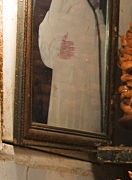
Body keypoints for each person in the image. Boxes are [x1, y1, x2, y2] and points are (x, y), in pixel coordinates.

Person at [37, 0, 105, 133]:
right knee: (67, 118)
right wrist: (56, 50)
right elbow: (47, 29)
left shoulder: (97, 8)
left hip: (93, 72)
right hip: (69, 71)